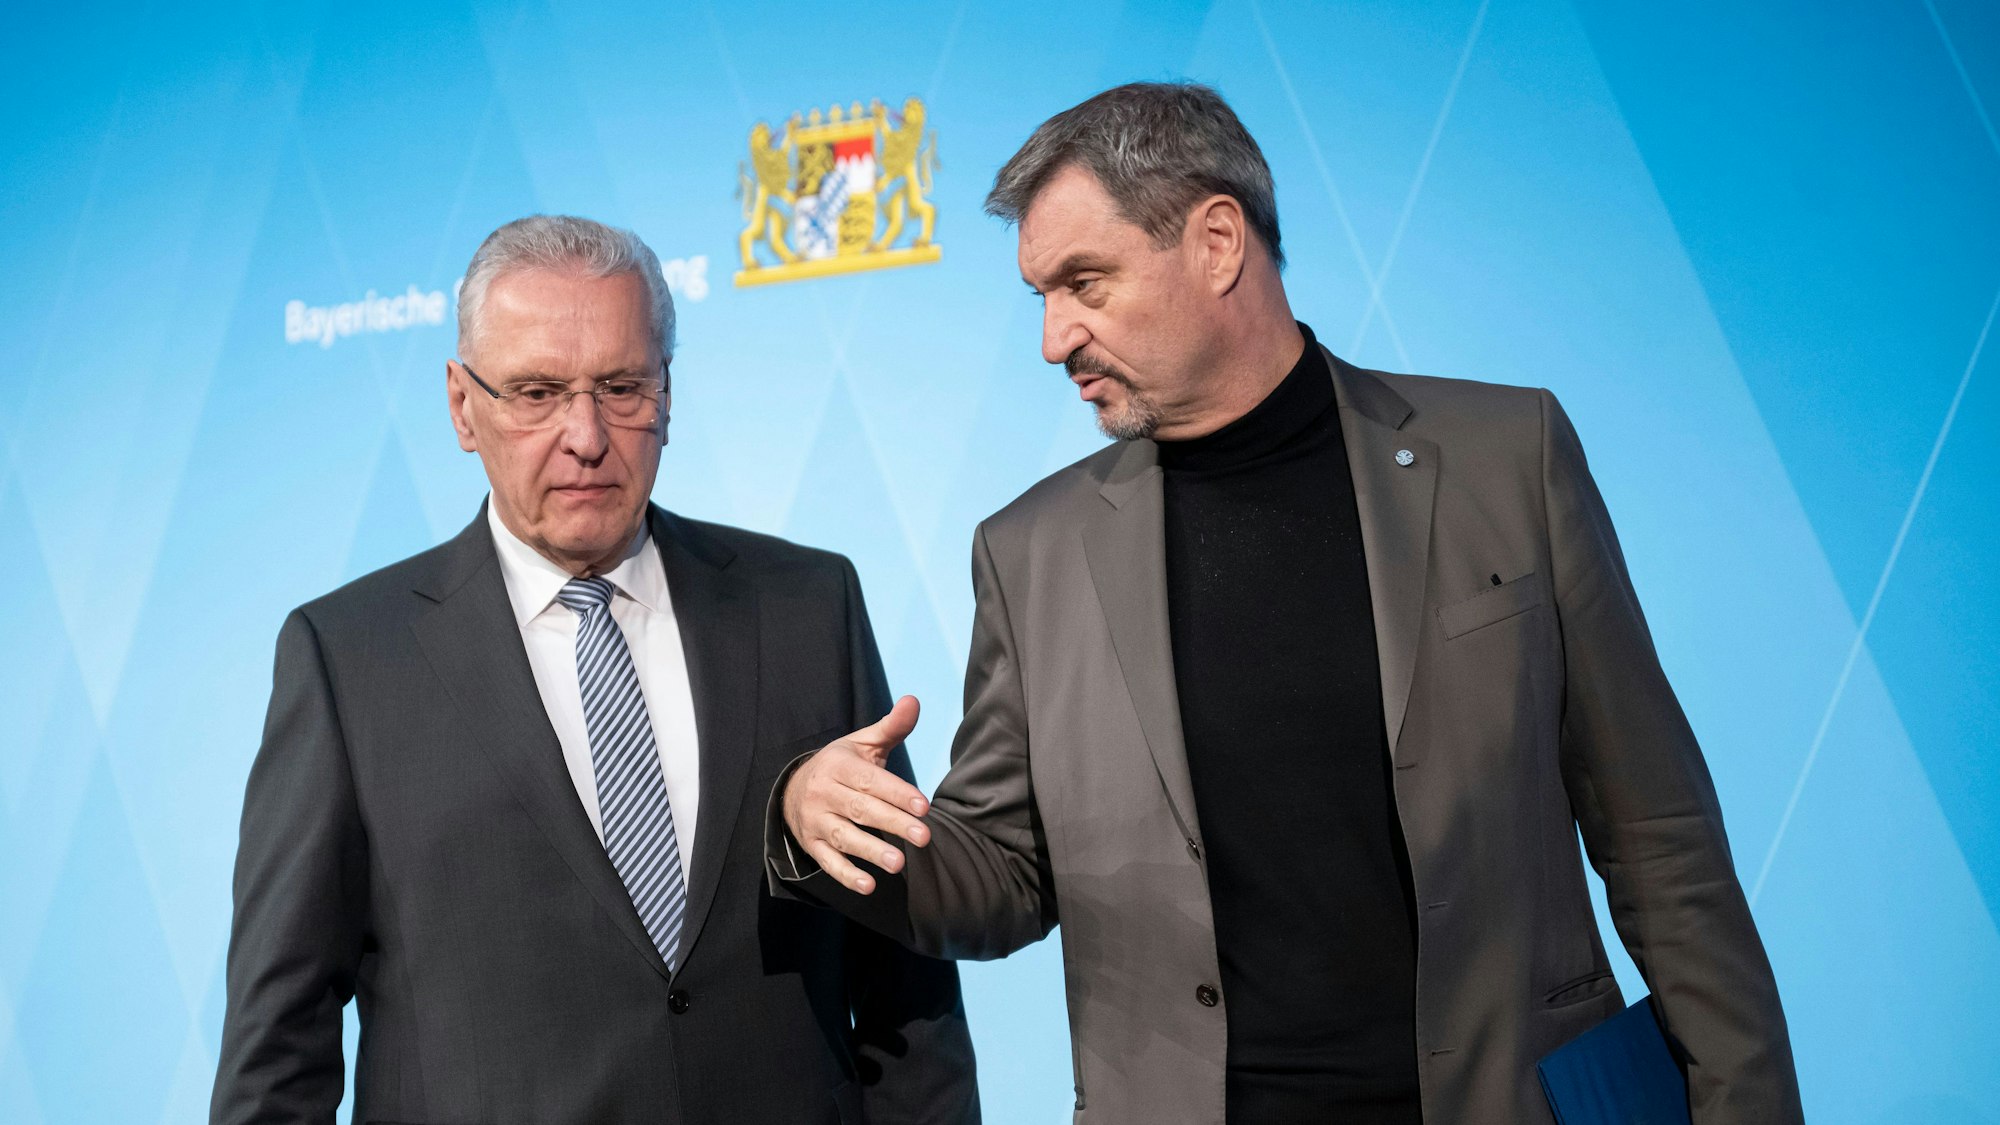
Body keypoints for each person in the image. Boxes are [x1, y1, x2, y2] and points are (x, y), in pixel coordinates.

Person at [769, 84, 1802, 1124]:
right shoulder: (1030, 552)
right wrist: (823, 824)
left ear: (1217, 242)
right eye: (1039, 295)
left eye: (1083, 283)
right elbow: (1000, 875)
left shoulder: (1505, 459)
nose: (1052, 338)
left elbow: (1657, 835)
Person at [212, 215, 978, 1125]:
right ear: (463, 406)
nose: (585, 434)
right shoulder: (347, 659)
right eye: (536, 392)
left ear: (667, 392)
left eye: (621, 386)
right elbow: (278, 1047)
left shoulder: (808, 605)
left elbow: (907, 992)